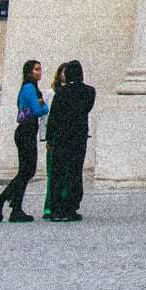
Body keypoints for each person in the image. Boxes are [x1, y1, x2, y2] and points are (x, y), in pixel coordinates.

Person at [0, 58, 47, 223]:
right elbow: (39, 110)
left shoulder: (32, 88)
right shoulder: (29, 88)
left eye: (40, 69)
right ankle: (2, 202)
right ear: (29, 72)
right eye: (36, 69)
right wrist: (44, 106)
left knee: (26, 171)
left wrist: (41, 105)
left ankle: (13, 207)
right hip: (25, 132)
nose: (39, 72)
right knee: (27, 171)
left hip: (27, 132)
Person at [43, 59, 94, 222]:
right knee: (74, 173)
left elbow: (54, 117)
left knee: (58, 173)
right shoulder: (89, 91)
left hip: (61, 137)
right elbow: (86, 109)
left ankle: (56, 209)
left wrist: (49, 138)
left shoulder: (62, 92)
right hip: (78, 137)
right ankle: (71, 207)